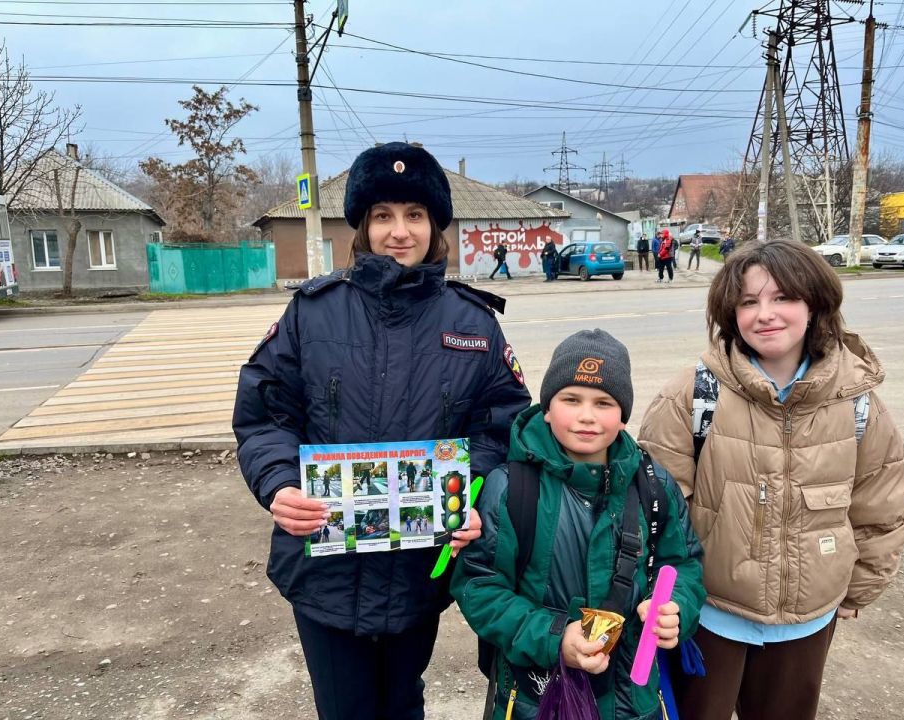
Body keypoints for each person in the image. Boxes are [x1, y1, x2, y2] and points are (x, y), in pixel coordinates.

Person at [233, 141, 532, 720]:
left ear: (435, 225)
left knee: (401, 701)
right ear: (362, 227)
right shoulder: (313, 313)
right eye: (383, 216)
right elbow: (265, 414)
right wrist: (277, 485)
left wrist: (470, 494)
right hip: (323, 571)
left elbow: (504, 428)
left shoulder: (473, 325)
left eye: (415, 215)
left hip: (421, 571)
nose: (400, 231)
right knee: (344, 708)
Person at [639, 239, 904, 720]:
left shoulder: (857, 402)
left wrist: (859, 588)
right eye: (749, 301)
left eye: (783, 297)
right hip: (708, 617)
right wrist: (665, 597)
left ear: (814, 304)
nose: (766, 314)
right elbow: (653, 510)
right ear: (731, 313)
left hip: (806, 623)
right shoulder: (693, 395)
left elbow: (880, 505)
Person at [453, 329, 706, 720]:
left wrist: (679, 609)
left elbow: (684, 564)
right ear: (548, 408)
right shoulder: (511, 488)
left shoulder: (653, 483)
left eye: (604, 402)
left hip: (632, 699)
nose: (587, 416)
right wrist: (556, 637)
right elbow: (480, 587)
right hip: (535, 699)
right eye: (572, 399)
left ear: (623, 416)